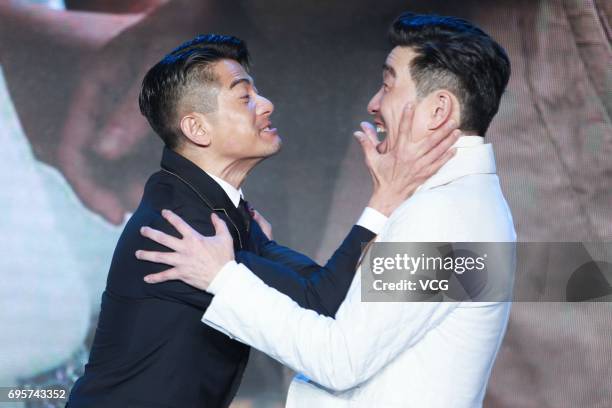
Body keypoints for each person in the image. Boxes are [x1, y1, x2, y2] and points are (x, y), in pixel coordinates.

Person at [137, 13, 516, 407]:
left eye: (387, 85)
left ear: (438, 111)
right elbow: (350, 315)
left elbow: (340, 359)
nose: (373, 103)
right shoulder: (454, 206)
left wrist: (223, 278)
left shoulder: (443, 218)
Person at [66, 32, 457, 408]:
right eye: (244, 97)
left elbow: (317, 285)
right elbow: (322, 302)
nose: (266, 104)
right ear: (197, 128)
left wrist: (264, 250)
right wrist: (384, 200)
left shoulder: (212, 207)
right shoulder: (186, 228)